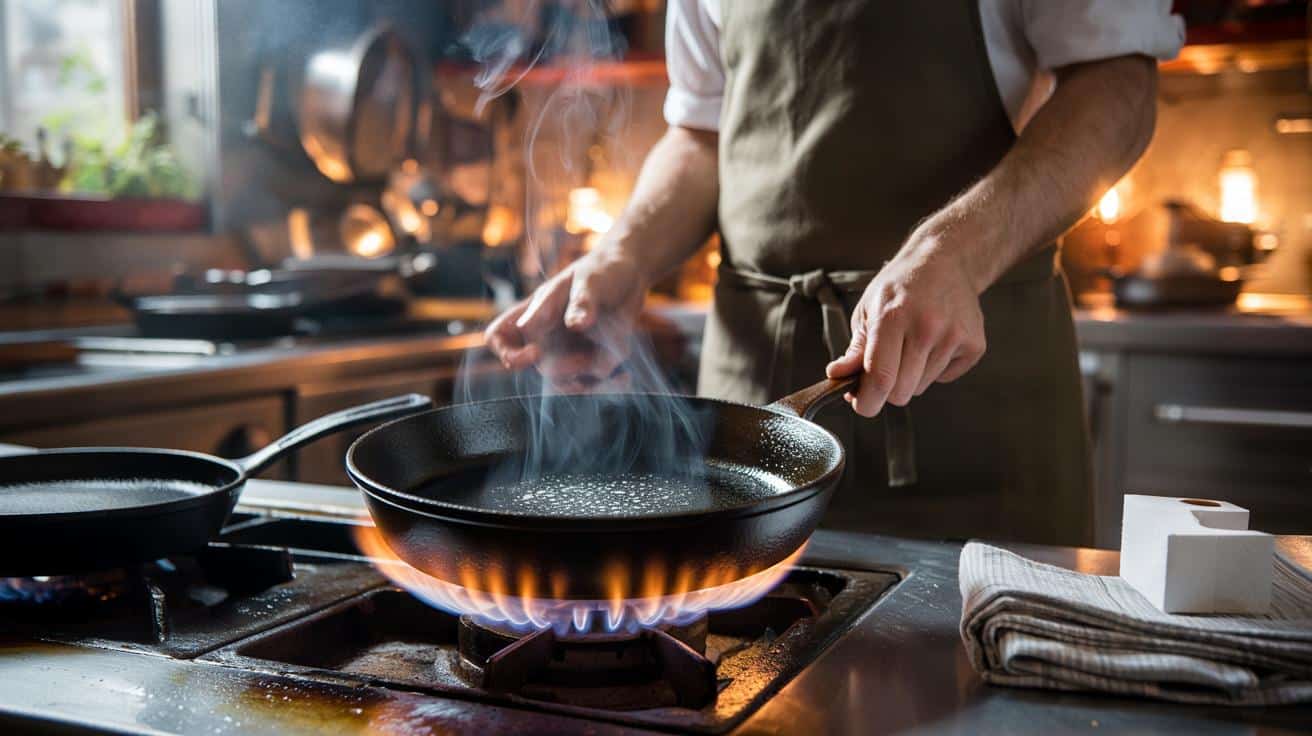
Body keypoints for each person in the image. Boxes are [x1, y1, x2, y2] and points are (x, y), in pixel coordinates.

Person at [486, 0, 1184, 546]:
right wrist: (623, 255)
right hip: (751, 412)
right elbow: (701, 133)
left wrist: (954, 251)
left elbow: (1116, 86)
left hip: (973, 414)